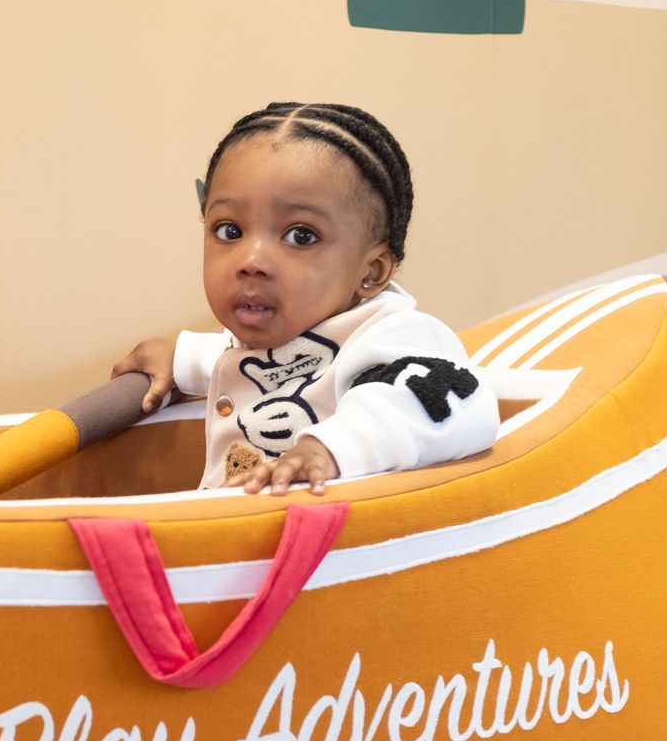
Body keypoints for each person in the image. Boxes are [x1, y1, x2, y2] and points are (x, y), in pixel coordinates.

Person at [111, 102, 498, 495]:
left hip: (334, 549)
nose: (251, 261)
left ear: (372, 271)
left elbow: (450, 399)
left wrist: (327, 450)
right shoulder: (289, 335)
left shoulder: (390, 335)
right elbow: (268, 367)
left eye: (301, 236)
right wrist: (179, 358)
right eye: (229, 230)